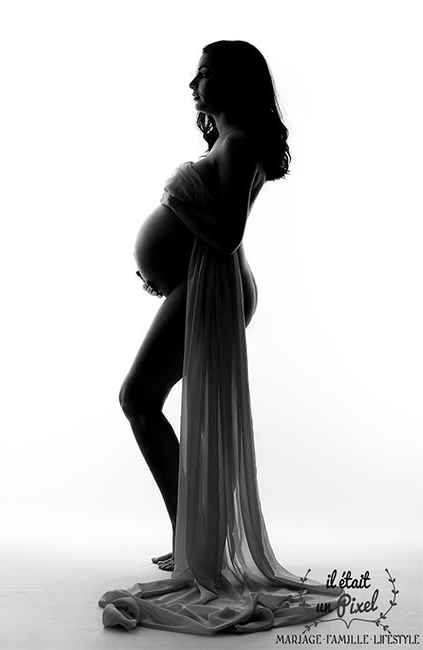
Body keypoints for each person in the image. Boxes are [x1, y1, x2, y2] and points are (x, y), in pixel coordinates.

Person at [98, 40, 345, 635]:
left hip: (217, 285)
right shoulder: (230, 143)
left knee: (137, 398)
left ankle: (196, 548)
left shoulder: (239, 144)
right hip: (203, 285)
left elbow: (228, 233)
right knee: (140, 400)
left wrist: (177, 211)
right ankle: (193, 543)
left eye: (204, 73)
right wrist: (167, 267)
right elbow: (211, 234)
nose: (194, 83)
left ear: (233, 81)